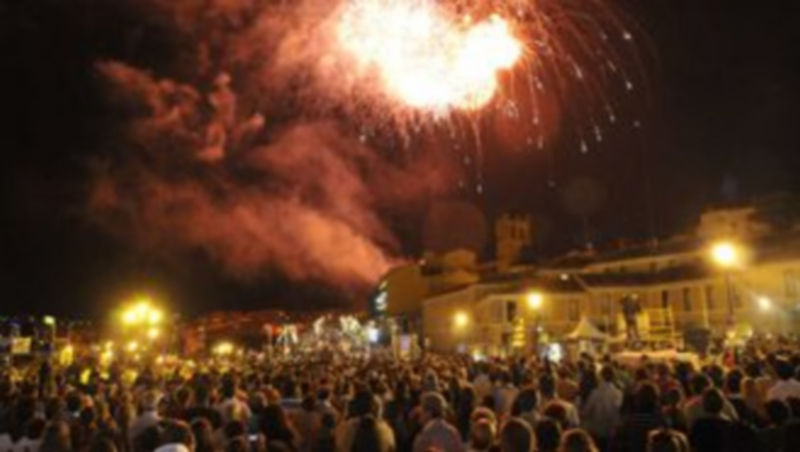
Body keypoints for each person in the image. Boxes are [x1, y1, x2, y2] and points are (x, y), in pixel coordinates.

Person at [581, 365, 623, 446]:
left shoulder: (595, 393)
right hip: (611, 431)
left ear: (601, 377)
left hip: (597, 430)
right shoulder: (618, 393)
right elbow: (618, 413)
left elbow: (587, 411)